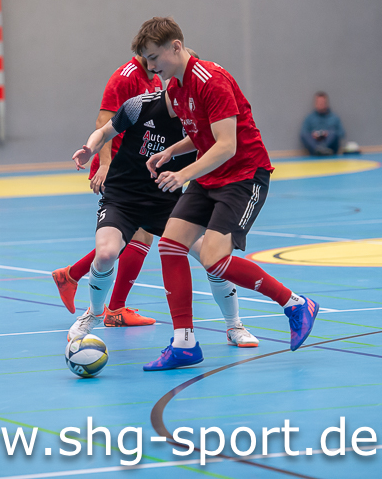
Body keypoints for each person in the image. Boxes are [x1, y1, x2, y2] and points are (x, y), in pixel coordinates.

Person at [128, 17, 319, 370]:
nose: (151, 67)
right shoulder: (175, 87)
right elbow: (202, 133)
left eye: (154, 58)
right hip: (210, 176)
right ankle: (184, 342)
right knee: (170, 246)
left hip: (244, 177)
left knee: (215, 259)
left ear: (176, 47)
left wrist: (182, 173)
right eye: (146, 61)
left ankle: (295, 304)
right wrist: (171, 151)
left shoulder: (211, 80)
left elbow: (227, 144)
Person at [68, 88, 259, 347]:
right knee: (105, 254)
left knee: (213, 257)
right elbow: (103, 132)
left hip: (168, 202)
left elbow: (220, 153)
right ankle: (94, 313)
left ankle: (234, 325)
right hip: (122, 198)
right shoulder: (139, 106)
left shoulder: (199, 119)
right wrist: (90, 148)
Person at [52, 55, 163, 327]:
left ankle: (73, 276)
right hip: (118, 167)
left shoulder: (156, 78)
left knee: (134, 234)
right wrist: (105, 164)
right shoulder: (125, 76)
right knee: (136, 232)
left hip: (137, 168)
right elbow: (104, 120)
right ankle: (112, 307)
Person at [300, 91, 344, 156]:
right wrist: (313, 135)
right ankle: (318, 150)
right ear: (315, 103)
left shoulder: (334, 117)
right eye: (319, 102)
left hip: (330, 148)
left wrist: (328, 134)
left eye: (322, 102)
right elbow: (303, 133)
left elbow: (341, 133)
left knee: (333, 133)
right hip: (315, 145)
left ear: (326, 103)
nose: (321, 104)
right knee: (305, 135)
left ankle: (323, 149)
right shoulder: (309, 118)